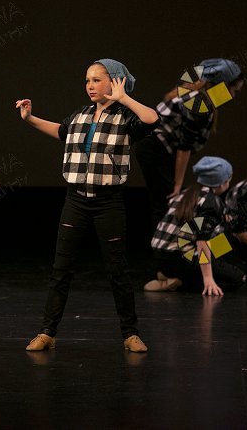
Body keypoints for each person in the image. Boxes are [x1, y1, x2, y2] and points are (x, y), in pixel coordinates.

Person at [15, 59, 158, 353]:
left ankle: (130, 334)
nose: (90, 86)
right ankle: (47, 332)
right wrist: (29, 118)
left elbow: (152, 119)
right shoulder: (81, 114)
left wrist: (124, 98)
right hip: (76, 200)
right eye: (87, 81)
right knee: (61, 269)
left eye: (96, 80)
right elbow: (61, 132)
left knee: (117, 271)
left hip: (108, 201)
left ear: (114, 81)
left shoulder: (125, 116)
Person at [135, 58, 244, 228]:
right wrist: (178, 184)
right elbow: (184, 147)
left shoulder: (194, 94)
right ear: (220, 85)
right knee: (166, 201)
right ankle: (163, 242)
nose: (233, 96)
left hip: (155, 148)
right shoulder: (200, 103)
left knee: (163, 201)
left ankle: (163, 239)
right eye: (233, 90)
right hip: (156, 149)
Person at [146, 156, 246, 295]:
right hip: (180, 258)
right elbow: (202, 241)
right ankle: (182, 281)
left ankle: (167, 275)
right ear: (221, 183)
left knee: (225, 240)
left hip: (160, 257)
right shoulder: (210, 201)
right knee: (238, 278)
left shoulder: (187, 193)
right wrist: (208, 278)